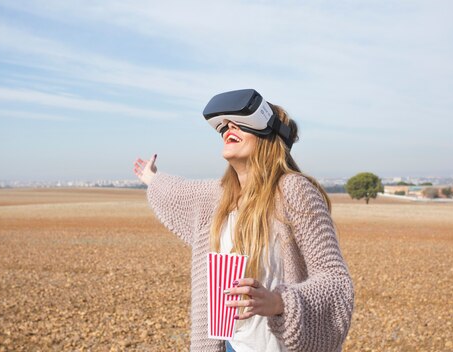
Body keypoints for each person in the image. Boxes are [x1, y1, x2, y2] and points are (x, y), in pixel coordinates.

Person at [133, 89, 353, 352]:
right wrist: (151, 177)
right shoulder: (217, 197)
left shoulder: (293, 190)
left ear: (269, 135)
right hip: (229, 345)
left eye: (239, 123)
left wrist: (279, 302)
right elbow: (174, 192)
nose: (229, 127)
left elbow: (335, 280)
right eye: (224, 125)